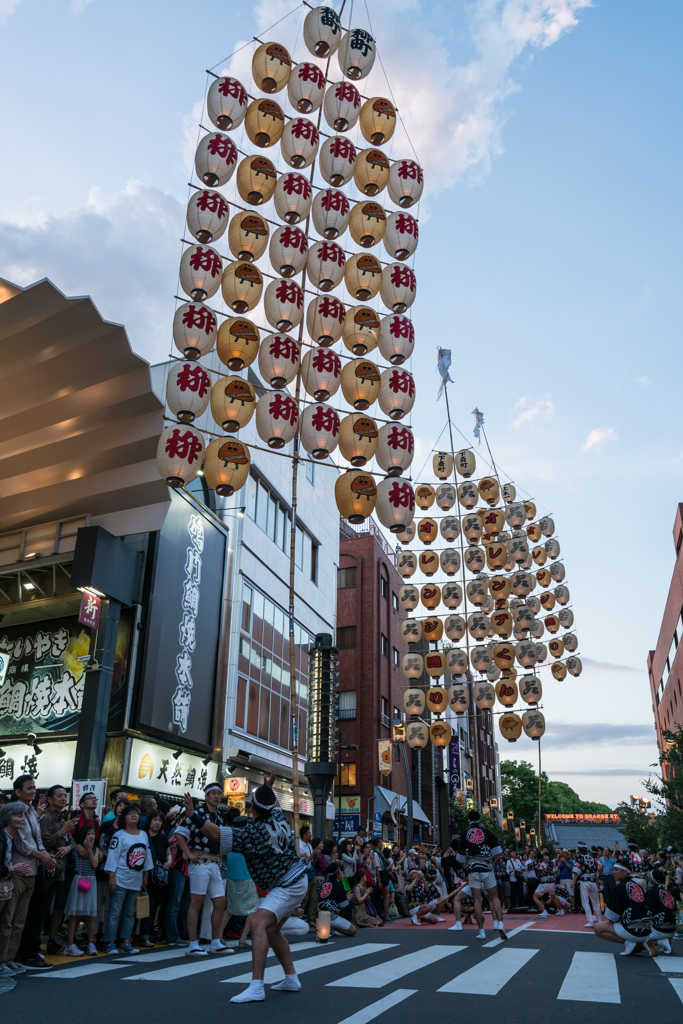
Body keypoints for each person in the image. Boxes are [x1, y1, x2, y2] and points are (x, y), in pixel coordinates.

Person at [182, 777, 309, 1004]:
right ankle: (291, 978)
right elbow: (274, 805)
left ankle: (257, 986)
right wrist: (267, 788)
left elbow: (218, 834)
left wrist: (192, 815)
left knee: (258, 923)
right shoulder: (280, 818)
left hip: (287, 883)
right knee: (271, 929)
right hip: (298, 879)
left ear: (251, 807)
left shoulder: (255, 833)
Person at [173, 781, 230, 956]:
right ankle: (193, 944)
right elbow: (179, 833)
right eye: (212, 793)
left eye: (218, 793)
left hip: (214, 863)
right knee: (196, 903)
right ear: (205, 796)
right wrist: (188, 853)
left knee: (220, 902)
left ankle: (214, 942)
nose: (216, 796)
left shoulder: (219, 815)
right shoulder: (196, 813)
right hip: (200, 861)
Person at [7, 775, 57, 971]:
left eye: (34, 788)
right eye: (29, 788)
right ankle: (12, 959)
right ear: (18, 792)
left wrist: (45, 855)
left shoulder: (32, 812)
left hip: (33, 871)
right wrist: (42, 856)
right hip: (18, 871)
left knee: (22, 920)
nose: (33, 791)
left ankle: (14, 958)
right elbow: (21, 844)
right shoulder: (16, 811)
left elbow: (37, 840)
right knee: (11, 920)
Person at [102, 803, 152, 954]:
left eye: (135, 812)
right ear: (124, 818)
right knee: (114, 911)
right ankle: (109, 942)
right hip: (120, 878)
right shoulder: (119, 835)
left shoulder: (143, 835)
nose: (133, 815)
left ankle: (126, 942)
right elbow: (112, 857)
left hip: (136, 879)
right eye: (129, 813)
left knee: (130, 912)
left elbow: (147, 857)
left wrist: (145, 876)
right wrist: (111, 877)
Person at [39, 785, 79, 954]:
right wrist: (63, 831)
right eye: (60, 796)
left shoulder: (61, 819)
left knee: (59, 906)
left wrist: (68, 848)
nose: (64, 798)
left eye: (65, 796)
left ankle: (53, 940)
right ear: (49, 800)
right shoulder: (46, 818)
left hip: (61, 870)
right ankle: (36, 943)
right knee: (43, 906)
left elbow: (72, 843)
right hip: (48, 869)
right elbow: (45, 842)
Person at [457, 809, 507, 940]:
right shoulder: (488, 833)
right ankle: (500, 924)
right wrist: (490, 860)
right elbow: (497, 853)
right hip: (486, 867)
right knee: (494, 897)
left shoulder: (464, 835)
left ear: (468, 821)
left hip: (473, 869)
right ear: (480, 820)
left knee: (477, 901)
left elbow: (461, 860)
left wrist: (467, 867)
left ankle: (481, 932)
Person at [0, 803, 35, 978]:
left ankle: (8, 960)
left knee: (14, 921)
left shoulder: (10, 836)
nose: (22, 819)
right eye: (19, 816)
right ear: (9, 817)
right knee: (6, 922)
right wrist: (13, 869)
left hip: (7, 883)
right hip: (5, 882)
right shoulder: (2, 837)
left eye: (23, 815)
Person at [594, 861, 653, 955]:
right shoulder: (638, 886)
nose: (613, 872)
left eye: (616, 870)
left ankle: (629, 943)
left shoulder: (618, 888)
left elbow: (612, 918)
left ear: (625, 872)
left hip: (632, 930)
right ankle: (645, 942)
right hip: (647, 930)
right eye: (613, 870)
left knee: (598, 928)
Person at [63, 823, 101, 956]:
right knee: (74, 914)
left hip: (91, 880)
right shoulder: (76, 849)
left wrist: (90, 850)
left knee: (90, 915)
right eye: (88, 834)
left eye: (92, 834)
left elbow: (95, 864)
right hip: (78, 881)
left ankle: (91, 944)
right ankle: (70, 944)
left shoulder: (95, 850)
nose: (91, 836)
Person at [140, 810, 172, 947]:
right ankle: (140, 935)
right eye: (155, 820)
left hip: (158, 878)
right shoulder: (142, 835)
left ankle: (147, 934)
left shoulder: (162, 837)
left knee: (153, 906)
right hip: (144, 877)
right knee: (143, 907)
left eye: (160, 820)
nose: (157, 823)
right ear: (149, 821)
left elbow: (168, 853)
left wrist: (169, 862)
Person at [645, 869, 676, 956]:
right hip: (671, 930)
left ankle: (661, 941)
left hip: (659, 930)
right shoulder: (667, 893)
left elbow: (646, 911)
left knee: (636, 938)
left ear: (652, 880)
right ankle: (665, 941)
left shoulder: (651, 892)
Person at [319, 865, 356, 936]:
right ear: (337, 873)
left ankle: (328, 927)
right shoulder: (339, 886)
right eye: (340, 871)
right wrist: (349, 898)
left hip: (320, 915)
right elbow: (342, 906)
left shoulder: (324, 884)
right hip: (331, 916)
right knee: (353, 931)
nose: (341, 872)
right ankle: (331, 927)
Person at [572, 841, 601, 928]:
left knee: (585, 902)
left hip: (584, 881)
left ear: (578, 849)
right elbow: (597, 872)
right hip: (593, 881)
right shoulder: (593, 859)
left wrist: (573, 881)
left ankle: (590, 921)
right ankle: (599, 921)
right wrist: (597, 883)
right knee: (595, 902)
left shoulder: (580, 857)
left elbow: (577, 870)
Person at [533, 853, 568, 918]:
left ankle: (544, 911)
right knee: (553, 897)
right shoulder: (548, 862)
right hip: (551, 882)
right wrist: (560, 856)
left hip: (544, 883)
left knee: (535, 897)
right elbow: (555, 860)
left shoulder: (535, 863)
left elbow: (526, 868)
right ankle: (561, 910)